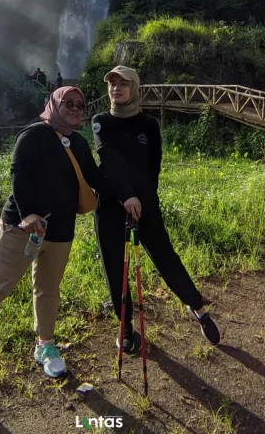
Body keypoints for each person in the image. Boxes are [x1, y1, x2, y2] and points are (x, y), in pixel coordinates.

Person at [0, 86, 142, 387]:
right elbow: (18, 173)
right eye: (68, 103)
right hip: (22, 229)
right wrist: (28, 214)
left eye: (80, 105)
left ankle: (45, 345)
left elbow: (96, 177)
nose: (75, 108)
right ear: (54, 104)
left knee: (48, 289)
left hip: (60, 231)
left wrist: (126, 194)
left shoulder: (78, 143)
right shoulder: (33, 134)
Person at [92, 65, 220, 352]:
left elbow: (154, 167)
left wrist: (144, 198)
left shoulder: (149, 124)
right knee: (115, 267)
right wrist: (126, 195)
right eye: (112, 84)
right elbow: (107, 157)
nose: (116, 88)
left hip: (144, 203)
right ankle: (125, 326)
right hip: (111, 204)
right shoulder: (101, 121)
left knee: (165, 256)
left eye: (123, 83)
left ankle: (197, 308)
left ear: (135, 88)